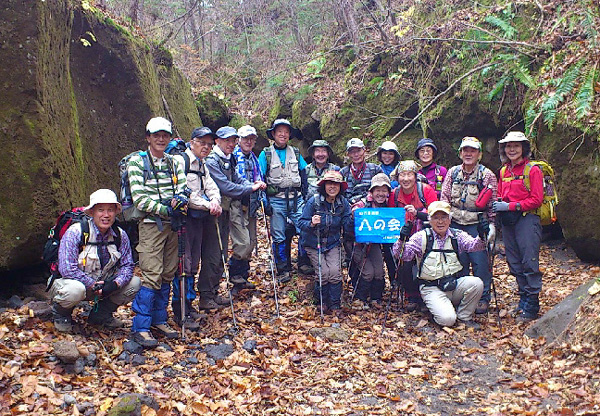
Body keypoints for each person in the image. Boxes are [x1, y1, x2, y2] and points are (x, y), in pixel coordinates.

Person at [128, 116, 189, 348]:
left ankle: (159, 320)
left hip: (173, 226)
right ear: (148, 137)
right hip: (151, 225)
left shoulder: (175, 162)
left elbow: (184, 189)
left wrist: (180, 202)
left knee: (168, 273)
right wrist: (166, 208)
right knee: (151, 273)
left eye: (165, 135)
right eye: (156, 135)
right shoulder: (137, 163)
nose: (161, 139)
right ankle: (141, 327)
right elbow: (140, 200)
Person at [51, 189, 140, 333]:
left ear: (115, 212)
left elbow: (128, 265)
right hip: (74, 284)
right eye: (101, 210)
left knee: (135, 283)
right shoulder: (76, 232)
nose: (106, 215)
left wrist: (115, 284)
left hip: (104, 285)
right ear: (92, 212)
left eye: (110, 210)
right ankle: (61, 314)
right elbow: (67, 269)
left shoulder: (119, 235)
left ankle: (100, 315)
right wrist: (92, 284)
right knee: (74, 291)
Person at [395, 201, 486, 329]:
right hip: (431, 287)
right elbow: (402, 256)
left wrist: (482, 235)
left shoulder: (457, 235)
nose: (440, 222)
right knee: (447, 320)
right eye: (436, 218)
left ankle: (464, 316)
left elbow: (475, 246)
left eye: (444, 217)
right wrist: (401, 240)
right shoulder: (421, 237)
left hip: (453, 284)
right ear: (429, 220)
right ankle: (438, 309)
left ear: (450, 219)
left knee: (476, 283)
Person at [171, 127, 223, 329]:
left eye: (210, 144)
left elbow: (211, 186)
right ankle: (180, 310)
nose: (207, 147)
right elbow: (183, 192)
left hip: (198, 219)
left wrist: (215, 201)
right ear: (192, 142)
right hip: (183, 219)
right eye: (203, 143)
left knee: (193, 265)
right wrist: (208, 204)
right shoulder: (180, 161)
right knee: (184, 264)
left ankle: (189, 306)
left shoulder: (202, 164)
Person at [205, 126, 266, 295]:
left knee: (243, 244)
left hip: (237, 206)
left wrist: (253, 185)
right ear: (217, 141)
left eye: (233, 140)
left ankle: (235, 280)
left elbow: (238, 179)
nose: (231, 144)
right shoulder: (213, 161)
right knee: (220, 251)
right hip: (224, 207)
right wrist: (251, 188)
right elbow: (227, 187)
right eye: (227, 140)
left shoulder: (233, 158)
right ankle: (213, 290)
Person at [440, 136, 497, 315]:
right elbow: (445, 197)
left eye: (472, 150)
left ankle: (483, 297)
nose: (468, 154)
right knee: (459, 262)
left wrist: (492, 226)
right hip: (456, 222)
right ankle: (463, 296)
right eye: (465, 150)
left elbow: (493, 202)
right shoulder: (453, 172)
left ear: (479, 154)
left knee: (480, 262)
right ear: (460, 153)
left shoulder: (486, 175)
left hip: (477, 224)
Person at [493, 131, 544, 323]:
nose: (512, 149)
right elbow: (500, 194)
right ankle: (523, 299)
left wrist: (512, 206)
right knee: (514, 261)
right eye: (508, 146)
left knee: (529, 261)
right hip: (509, 222)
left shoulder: (533, 170)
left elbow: (537, 199)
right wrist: (500, 205)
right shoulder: (504, 171)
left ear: (524, 148)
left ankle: (532, 304)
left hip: (527, 220)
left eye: (516, 145)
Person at [258, 119, 308, 282]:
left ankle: (304, 262)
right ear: (273, 134)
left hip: (296, 199)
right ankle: (282, 268)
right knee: (278, 235)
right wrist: (265, 201)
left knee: (305, 229)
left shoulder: (296, 152)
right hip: (276, 200)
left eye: (286, 132)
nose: (283, 134)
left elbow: (304, 174)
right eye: (279, 131)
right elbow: (260, 178)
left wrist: (306, 196)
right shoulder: (266, 154)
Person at [299, 170, 352, 314]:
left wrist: (352, 219)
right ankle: (321, 301)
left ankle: (335, 303)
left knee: (334, 272)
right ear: (324, 185)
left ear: (340, 187)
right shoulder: (314, 201)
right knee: (323, 272)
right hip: (313, 243)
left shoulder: (343, 204)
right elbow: (301, 223)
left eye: (336, 184)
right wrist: (311, 222)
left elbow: (347, 225)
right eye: (329, 183)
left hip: (332, 243)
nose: (332, 187)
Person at [388, 160, 438, 311]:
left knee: (425, 264)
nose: (406, 179)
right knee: (404, 265)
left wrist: (418, 213)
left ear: (415, 176)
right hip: (404, 236)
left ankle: (426, 295)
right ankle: (411, 295)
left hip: (425, 233)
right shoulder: (394, 194)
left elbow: (436, 213)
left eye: (409, 174)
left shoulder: (426, 191)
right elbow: (390, 215)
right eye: (402, 175)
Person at [350, 173, 391, 308]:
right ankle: (360, 298)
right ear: (371, 191)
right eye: (377, 190)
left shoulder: (387, 206)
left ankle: (376, 298)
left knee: (379, 271)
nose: (380, 193)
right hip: (355, 243)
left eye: (384, 190)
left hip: (373, 244)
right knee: (368, 272)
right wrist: (355, 215)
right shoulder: (363, 203)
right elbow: (354, 211)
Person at [302, 139, 340, 275]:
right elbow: (302, 190)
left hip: (330, 207)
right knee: (304, 228)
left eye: (323, 151)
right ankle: (305, 262)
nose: (320, 154)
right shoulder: (306, 170)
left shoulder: (335, 169)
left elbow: (340, 191)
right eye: (317, 151)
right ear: (312, 154)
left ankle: (332, 259)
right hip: (309, 206)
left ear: (328, 153)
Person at [233, 125, 266, 269]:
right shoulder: (233, 157)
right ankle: (235, 274)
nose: (249, 142)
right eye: (246, 138)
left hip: (252, 202)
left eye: (252, 139)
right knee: (242, 242)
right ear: (239, 140)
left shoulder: (254, 159)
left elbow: (259, 176)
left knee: (252, 240)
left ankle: (244, 274)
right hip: (237, 202)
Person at [340, 138, 383, 204]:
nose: (356, 154)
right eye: (352, 152)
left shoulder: (375, 169)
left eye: (358, 150)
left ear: (364, 150)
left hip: (370, 209)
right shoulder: (343, 173)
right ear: (348, 154)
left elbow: (383, 190)